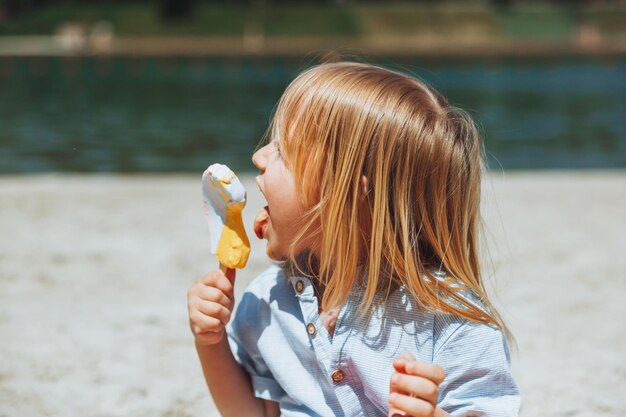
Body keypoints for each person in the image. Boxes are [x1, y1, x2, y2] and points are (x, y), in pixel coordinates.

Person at [187, 61, 521, 417]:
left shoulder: (450, 319)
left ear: (346, 197)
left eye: (283, 150)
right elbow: (255, 412)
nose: (259, 157)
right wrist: (210, 342)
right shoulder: (266, 301)